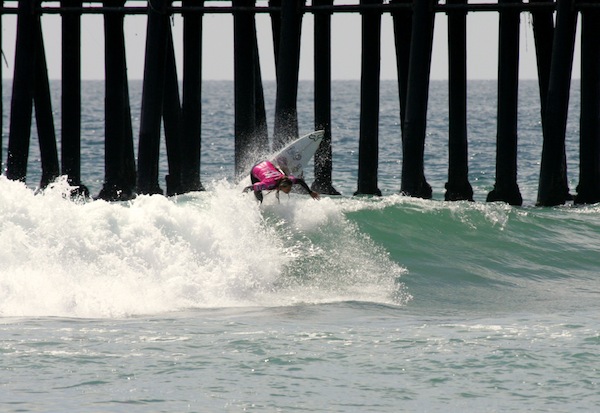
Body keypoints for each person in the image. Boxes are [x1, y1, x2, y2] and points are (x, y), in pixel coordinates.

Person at [243, 160, 320, 203]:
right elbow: (248, 188)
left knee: (283, 174)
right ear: (282, 186)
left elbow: (300, 181)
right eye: (288, 189)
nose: (289, 190)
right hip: (256, 170)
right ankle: (259, 204)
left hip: (267, 163)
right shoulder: (267, 185)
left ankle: (281, 167)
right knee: (258, 194)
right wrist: (242, 198)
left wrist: (310, 192)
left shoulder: (288, 180)